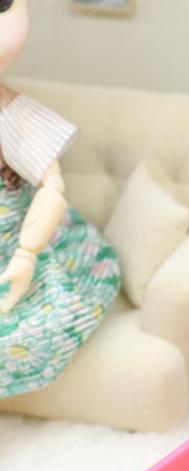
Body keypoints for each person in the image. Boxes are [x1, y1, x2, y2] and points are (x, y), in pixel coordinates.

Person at [0, 0, 120, 397]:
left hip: (11, 246)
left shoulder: (8, 114)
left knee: (25, 329)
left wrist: (26, 254)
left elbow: (52, 186)